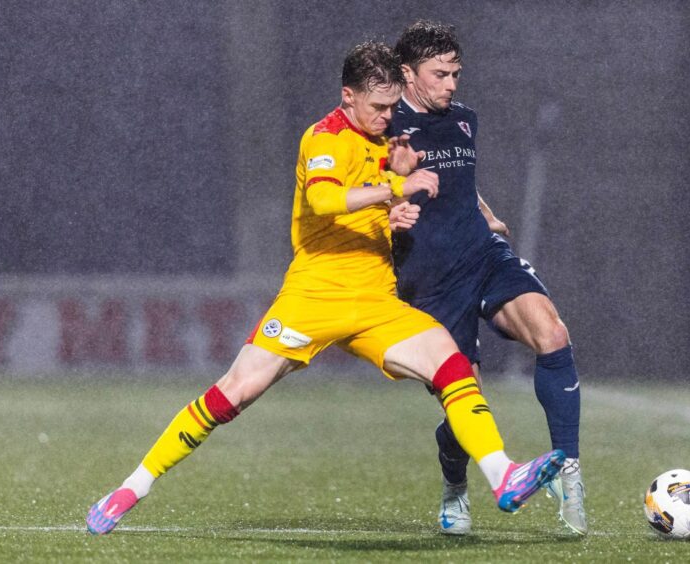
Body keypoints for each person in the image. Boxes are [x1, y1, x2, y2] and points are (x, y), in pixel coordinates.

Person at [85, 41, 564, 536]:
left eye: (392, 106)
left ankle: (503, 476)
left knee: (452, 363)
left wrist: (396, 216)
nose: (386, 116)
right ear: (348, 96)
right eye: (377, 107)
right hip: (314, 295)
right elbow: (326, 200)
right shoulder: (323, 137)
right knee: (234, 394)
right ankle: (131, 487)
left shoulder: (390, 143)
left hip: (376, 299)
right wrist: (397, 189)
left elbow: (381, 205)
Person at [386, 21, 588, 536]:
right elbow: (368, 192)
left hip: (482, 254)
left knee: (553, 335)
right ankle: (455, 485)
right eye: (440, 74)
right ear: (407, 74)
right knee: (466, 401)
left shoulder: (464, 120)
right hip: (428, 282)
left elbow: (458, 186)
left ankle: (569, 469)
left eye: (456, 73)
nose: (452, 84)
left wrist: (485, 212)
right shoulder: (384, 128)